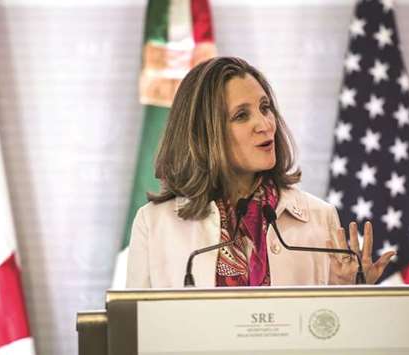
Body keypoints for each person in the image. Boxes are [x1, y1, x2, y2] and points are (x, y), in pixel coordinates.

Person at [126, 56, 395, 288]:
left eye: (265, 108)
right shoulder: (154, 224)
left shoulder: (320, 218)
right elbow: (136, 333)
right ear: (204, 134)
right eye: (241, 115)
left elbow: (332, 332)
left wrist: (353, 291)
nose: (265, 124)